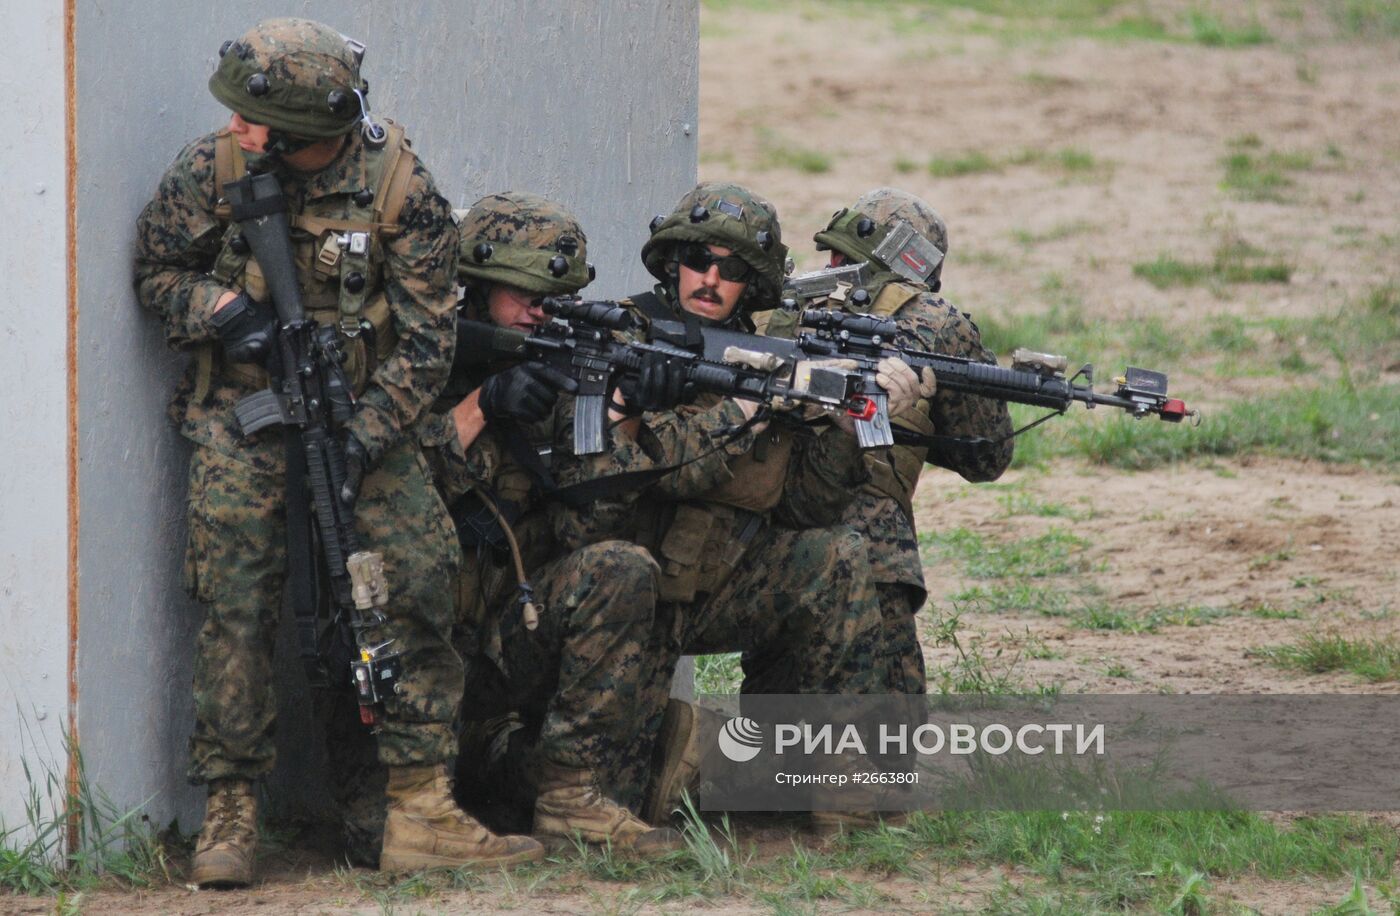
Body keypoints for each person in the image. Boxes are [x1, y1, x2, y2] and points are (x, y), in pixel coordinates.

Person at [133, 18, 540, 885]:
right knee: (234, 604)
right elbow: (157, 268)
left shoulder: (402, 189)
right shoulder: (215, 170)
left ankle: (421, 805)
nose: (237, 130)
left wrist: (360, 442)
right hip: (243, 423)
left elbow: (429, 344)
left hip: (365, 426)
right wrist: (219, 311)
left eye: (254, 119)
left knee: (418, 581)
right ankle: (232, 809)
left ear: (308, 130)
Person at [560, 182, 928, 824]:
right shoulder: (629, 339)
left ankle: (844, 784)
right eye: (698, 261)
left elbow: (806, 507)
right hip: (630, 601)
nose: (710, 278)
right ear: (673, 262)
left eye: (731, 270)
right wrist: (751, 404)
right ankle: (709, 754)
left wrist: (845, 425)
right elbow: (658, 470)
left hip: (722, 587)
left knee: (836, 554)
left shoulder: (767, 355)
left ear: (751, 284)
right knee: (626, 797)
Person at [419, 191, 680, 856]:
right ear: (477, 286)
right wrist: (484, 403)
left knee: (622, 566)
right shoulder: (419, 360)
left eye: (555, 299)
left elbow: (584, 534)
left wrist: (620, 412)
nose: (541, 313)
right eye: (526, 296)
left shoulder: (557, 374)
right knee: (372, 830)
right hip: (423, 655)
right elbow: (394, 493)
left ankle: (568, 797)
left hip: (512, 649)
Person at [797, 188, 1014, 695]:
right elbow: (987, 456)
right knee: (883, 741)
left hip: (759, 532)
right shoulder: (937, 322)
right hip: (870, 555)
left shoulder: (773, 301)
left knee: (778, 722)